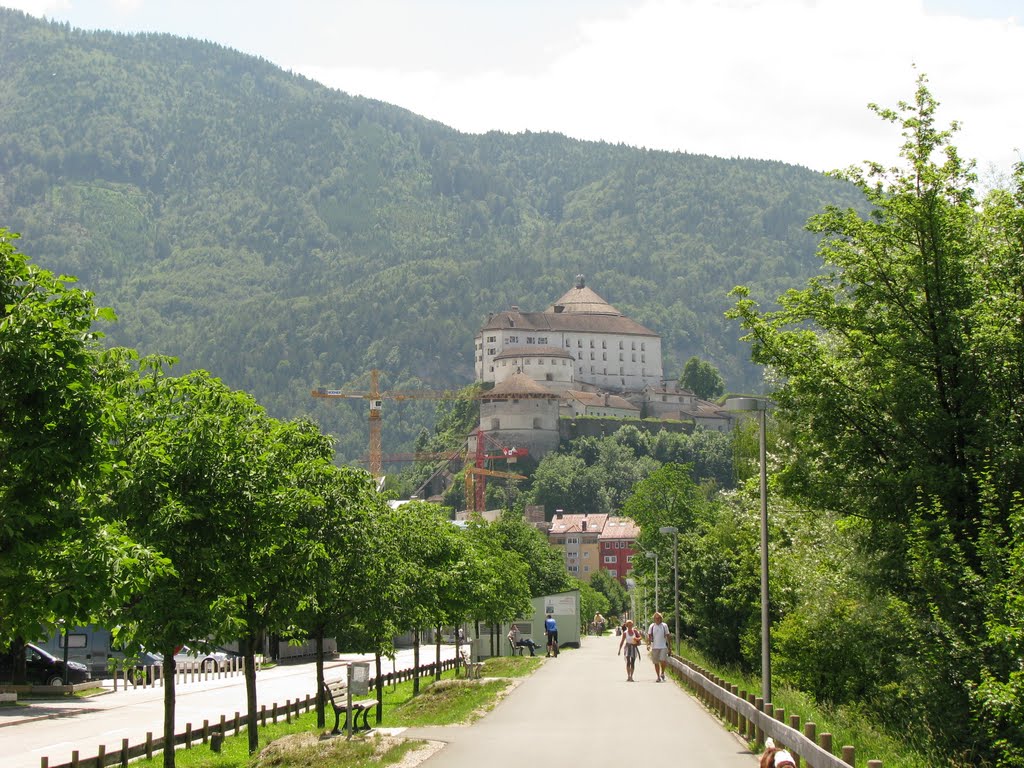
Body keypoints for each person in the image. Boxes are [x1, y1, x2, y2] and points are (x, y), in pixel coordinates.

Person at [646, 611, 671, 682]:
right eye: (656, 618)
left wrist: (669, 647)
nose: (657, 619)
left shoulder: (664, 625)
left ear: (661, 618)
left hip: (663, 646)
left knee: (663, 660)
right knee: (656, 662)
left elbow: (668, 636)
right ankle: (658, 676)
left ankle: (662, 672)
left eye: (659, 618)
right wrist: (648, 644)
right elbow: (649, 636)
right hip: (655, 647)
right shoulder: (652, 626)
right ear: (654, 619)